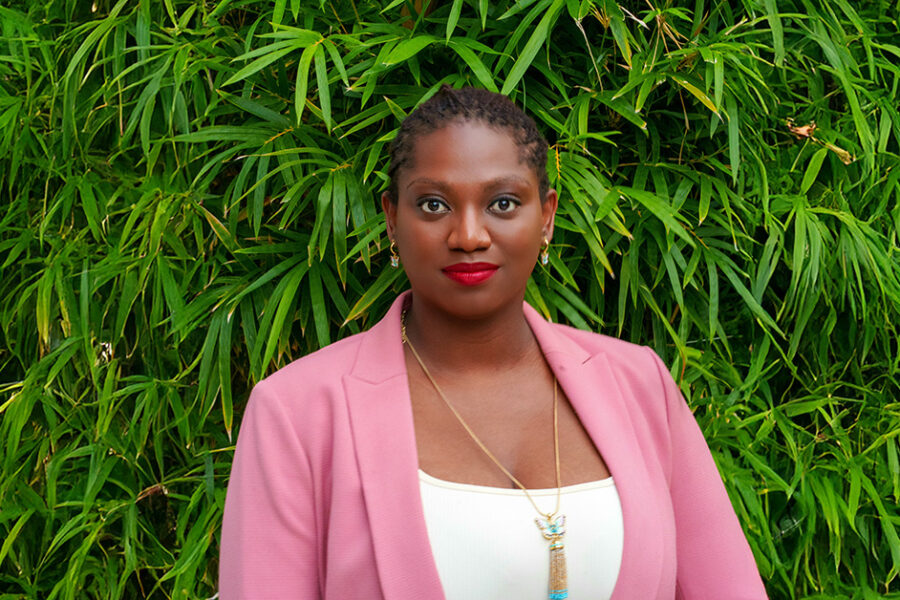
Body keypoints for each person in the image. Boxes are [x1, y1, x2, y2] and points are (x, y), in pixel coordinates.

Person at [219, 86, 768, 599]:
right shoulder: (296, 412)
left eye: (502, 203)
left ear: (547, 216)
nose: (469, 235)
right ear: (391, 219)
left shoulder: (638, 384)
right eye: (433, 204)